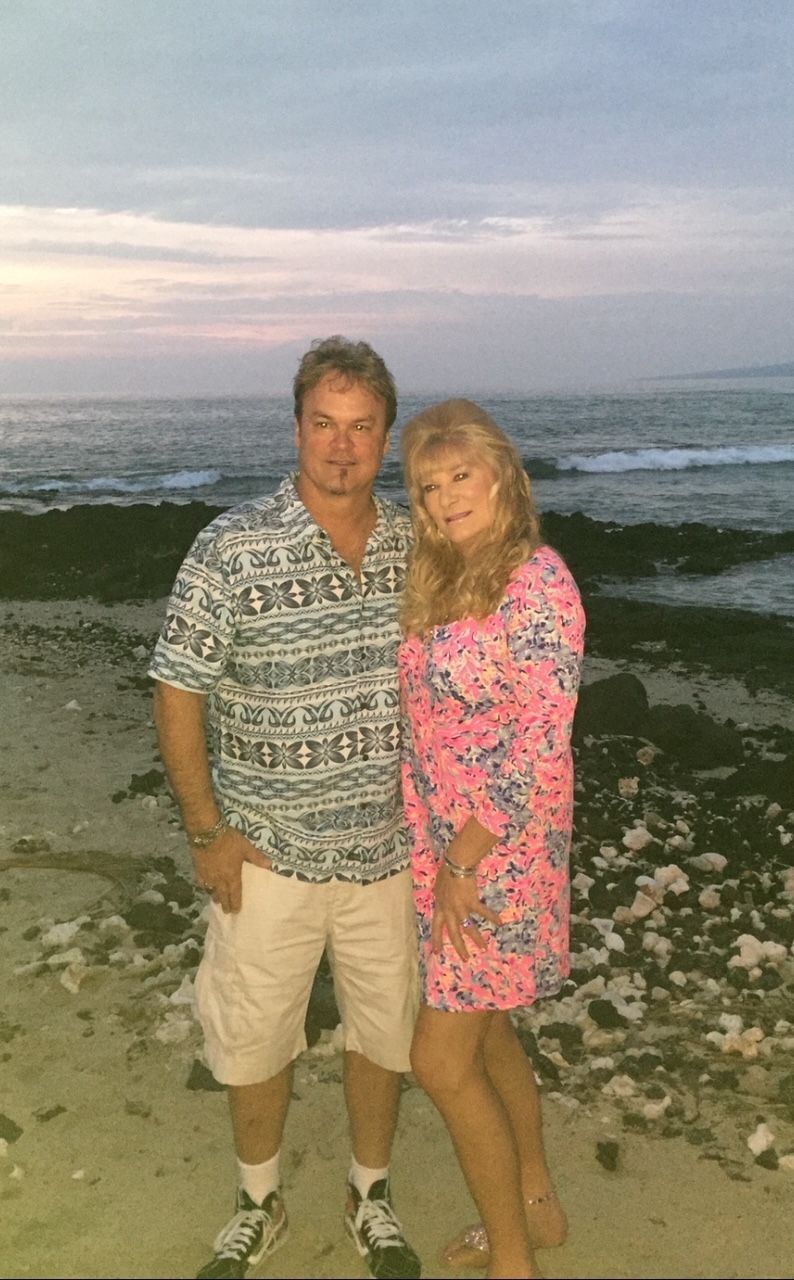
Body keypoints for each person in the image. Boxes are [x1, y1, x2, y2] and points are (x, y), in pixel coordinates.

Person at [149, 337, 421, 1280]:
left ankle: (369, 1193)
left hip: (387, 852)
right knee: (255, 1036)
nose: (342, 447)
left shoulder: (414, 544)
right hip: (265, 853)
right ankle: (258, 1204)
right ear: (296, 426)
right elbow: (177, 690)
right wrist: (205, 831)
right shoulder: (233, 545)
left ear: (386, 434)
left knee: (384, 1033)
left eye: (362, 426)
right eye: (324, 424)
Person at [397, 400, 585, 1280]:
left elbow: (541, 741)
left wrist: (462, 861)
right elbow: (422, 732)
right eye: (429, 486)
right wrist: (426, 856)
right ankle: (537, 1208)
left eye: (459, 476)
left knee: (438, 1058)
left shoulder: (536, 579)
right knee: (490, 1033)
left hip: (498, 860)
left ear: (502, 475)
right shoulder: (442, 577)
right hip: (448, 857)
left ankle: (513, 1263)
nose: (443, 497)